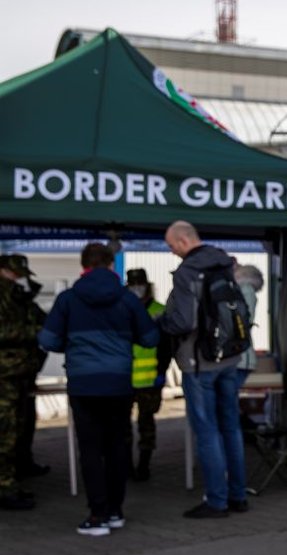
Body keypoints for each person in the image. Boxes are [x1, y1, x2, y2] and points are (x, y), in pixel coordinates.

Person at [38, 243, 159, 535]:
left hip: (83, 385)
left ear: (84, 265)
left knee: (91, 449)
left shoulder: (68, 299)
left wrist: (74, 343)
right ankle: (116, 511)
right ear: (109, 264)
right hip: (118, 383)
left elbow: (48, 340)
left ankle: (97, 515)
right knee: (117, 445)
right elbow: (151, 338)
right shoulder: (128, 299)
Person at [158, 220, 249, 518]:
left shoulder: (187, 272)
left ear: (184, 240)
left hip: (200, 363)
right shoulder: (224, 263)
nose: (172, 252)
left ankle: (217, 501)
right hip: (230, 359)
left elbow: (184, 322)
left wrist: (161, 322)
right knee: (231, 428)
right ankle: (238, 496)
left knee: (207, 431)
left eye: (172, 246)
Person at [0, 254, 48, 511]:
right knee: (5, 434)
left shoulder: (18, 297)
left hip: (18, 374)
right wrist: (34, 332)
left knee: (18, 429)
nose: (17, 279)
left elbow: (40, 319)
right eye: (13, 274)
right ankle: (5, 487)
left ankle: (11, 480)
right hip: (4, 376)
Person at [125, 268, 172, 481]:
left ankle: (144, 464)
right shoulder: (121, 310)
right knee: (122, 426)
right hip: (124, 379)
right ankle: (125, 465)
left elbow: (167, 345)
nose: (137, 288)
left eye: (140, 284)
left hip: (150, 378)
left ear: (147, 284)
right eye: (133, 284)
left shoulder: (159, 310)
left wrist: (161, 371)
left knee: (146, 424)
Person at [232, 262, 264, 389]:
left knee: (228, 400)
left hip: (240, 357)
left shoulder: (245, 290)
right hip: (240, 357)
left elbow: (242, 321)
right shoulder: (245, 290)